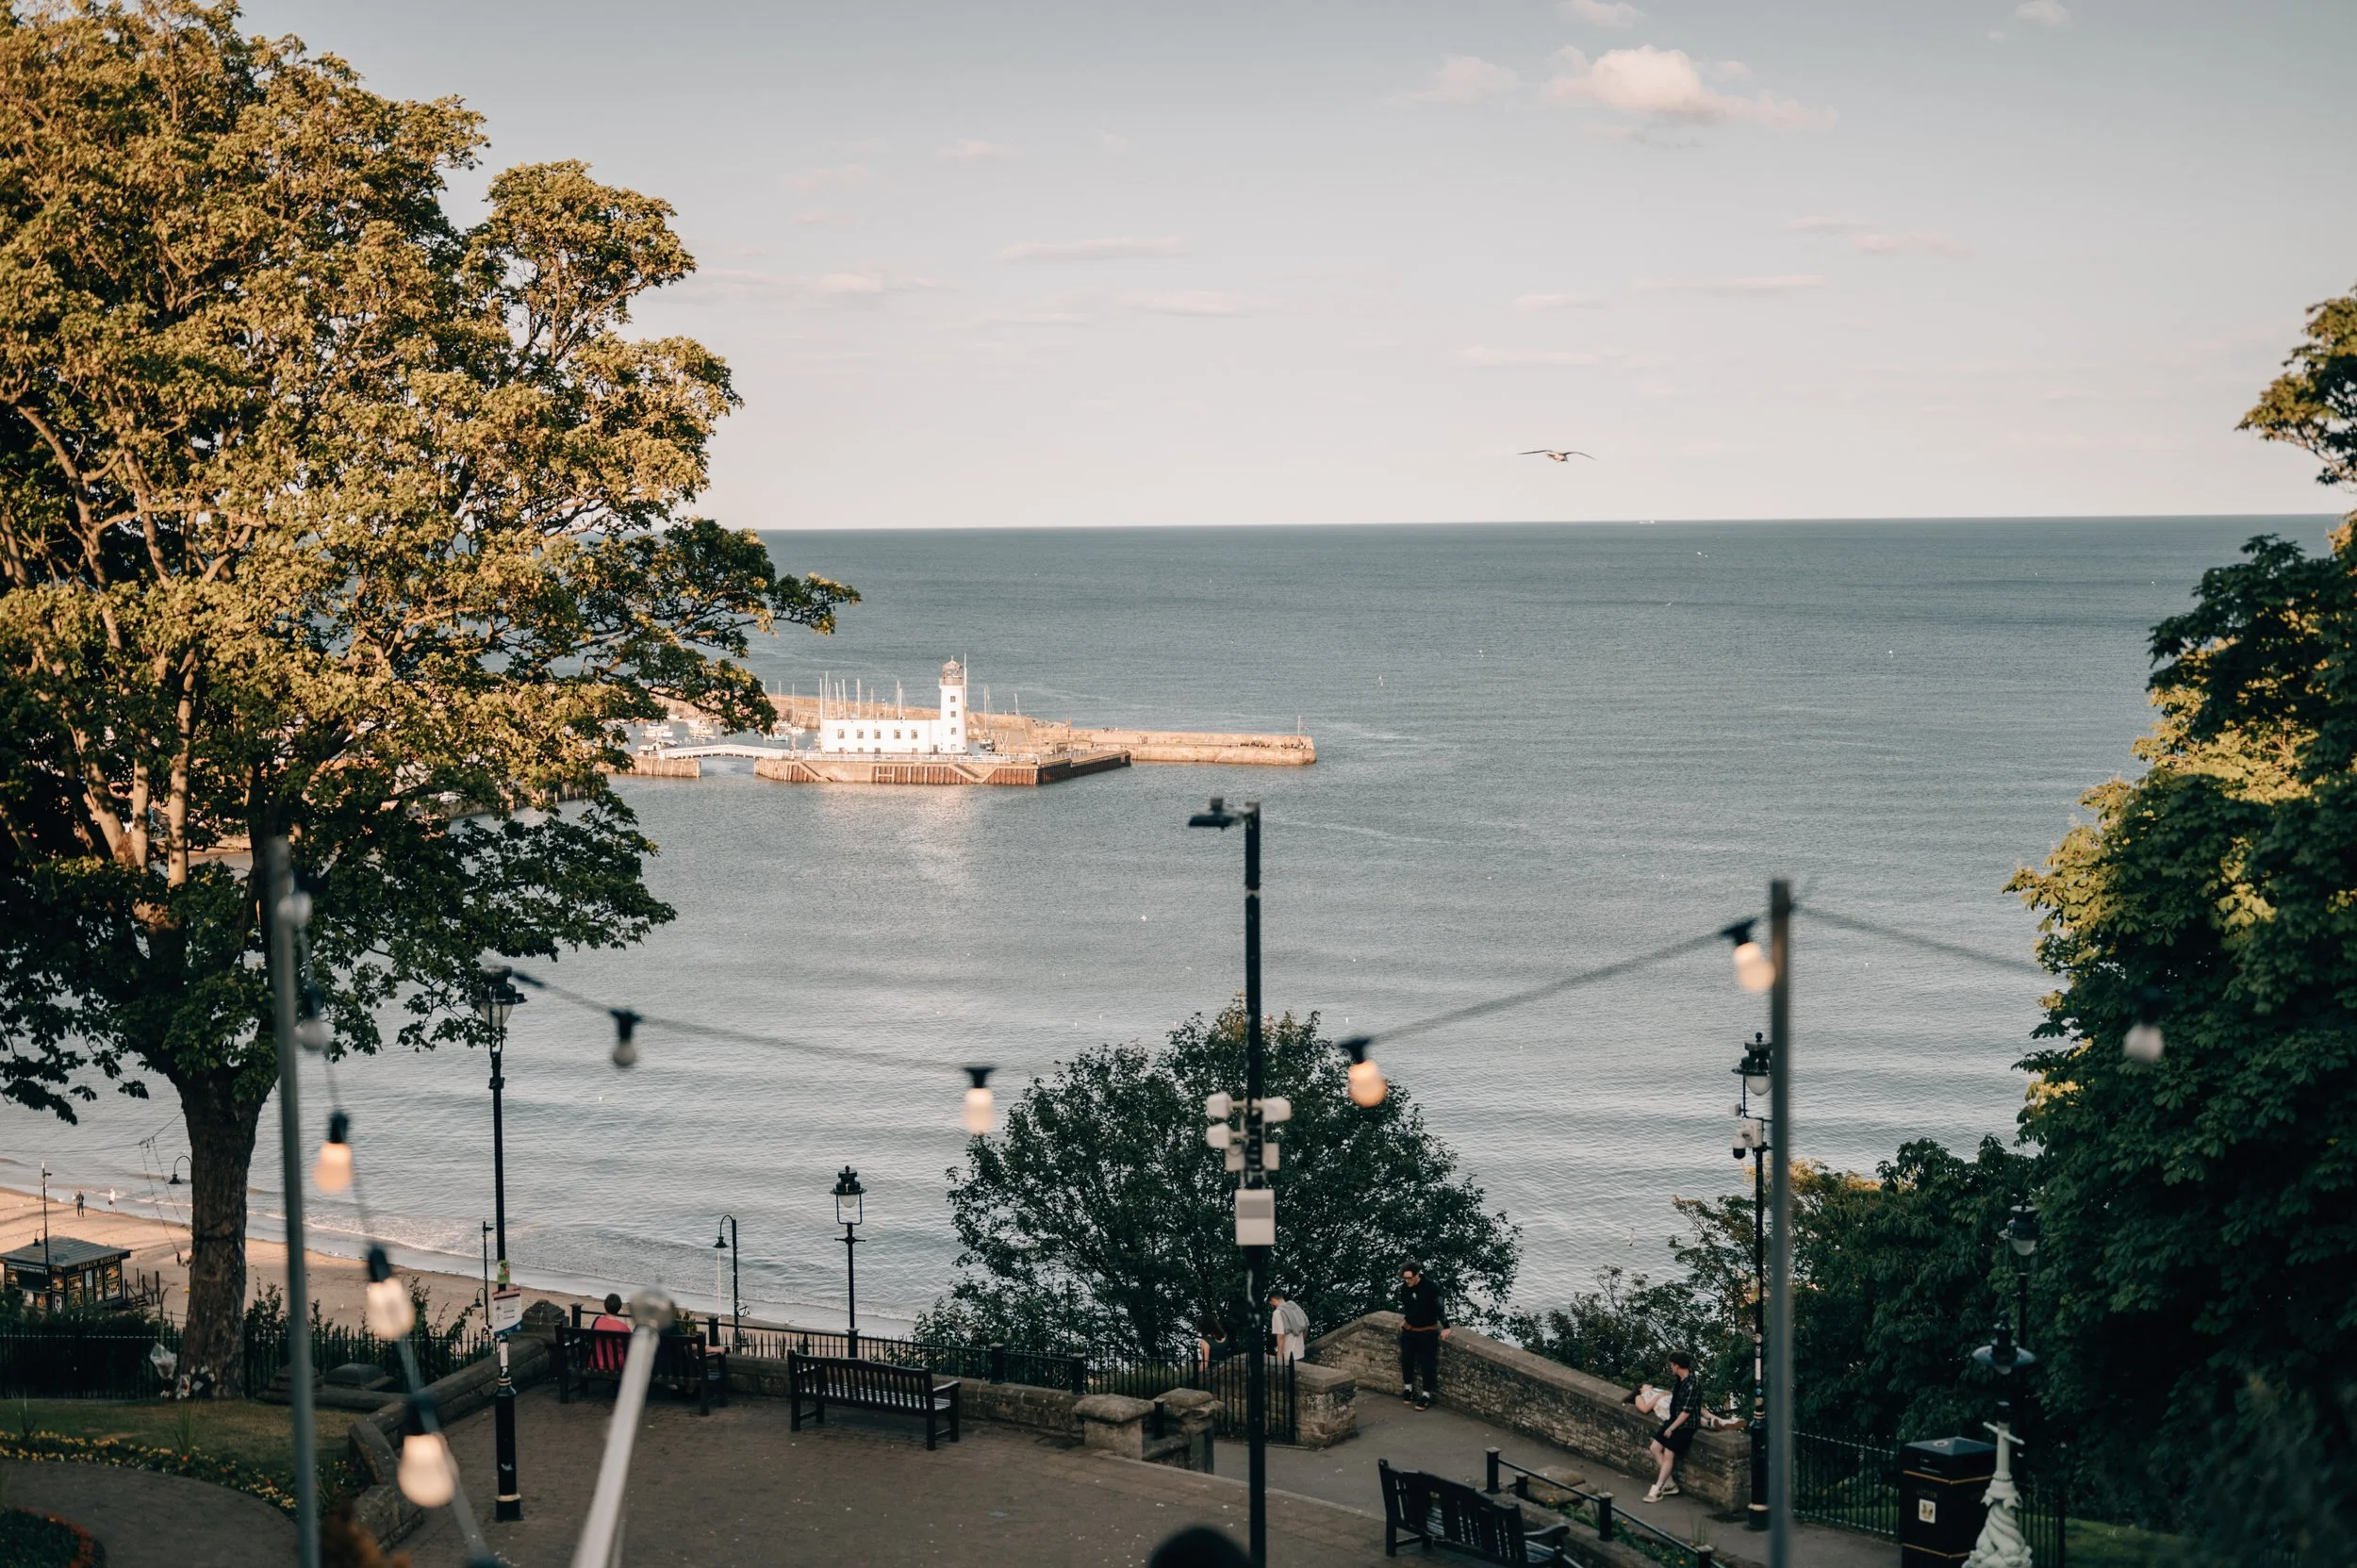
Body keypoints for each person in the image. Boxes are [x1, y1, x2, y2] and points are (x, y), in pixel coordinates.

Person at [1643, 1350, 1700, 1503]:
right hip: (1672, 1420)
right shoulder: (1679, 1380)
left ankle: (1658, 1489)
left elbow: (1686, 1412)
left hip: (1685, 1426)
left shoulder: (1692, 1384)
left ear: (1677, 1366)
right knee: (1655, 1448)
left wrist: (1672, 1428)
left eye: (1672, 1365)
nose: (1670, 1368)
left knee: (1669, 1454)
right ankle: (1669, 1484)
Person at [1397, 1262, 1449, 1410]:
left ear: (1417, 1274)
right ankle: (1408, 1389)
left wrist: (1446, 1327)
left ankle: (1426, 1395)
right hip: (1409, 1330)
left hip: (1427, 1331)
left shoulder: (1430, 1288)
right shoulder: (1404, 1289)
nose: (1407, 1281)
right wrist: (1406, 1319)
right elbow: (1409, 1307)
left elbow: (1440, 1307)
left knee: (1427, 1363)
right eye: (1405, 1278)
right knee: (1406, 1359)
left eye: (1410, 1278)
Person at [590, 1292, 631, 1373]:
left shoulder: (597, 1321)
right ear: (619, 1308)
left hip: (595, 1363)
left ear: (605, 1305)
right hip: (615, 1366)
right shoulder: (623, 1327)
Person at [1268, 1288, 1309, 1364]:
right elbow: (1306, 1327)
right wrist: (1301, 1342)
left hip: (1288, 1356)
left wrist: (1279, 1356)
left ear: (1273, 1300)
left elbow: (1280, 1335)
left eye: (1271, 1304)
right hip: (1300, 1352)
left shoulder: (1278, 1313)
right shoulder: (1296, 1307)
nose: (1272, 1306)